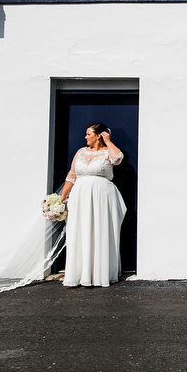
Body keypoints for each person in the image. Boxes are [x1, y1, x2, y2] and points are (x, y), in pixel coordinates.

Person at [60, 123, 129, 287]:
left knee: (100, 230)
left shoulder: (108, 151)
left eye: (88, 134)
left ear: (98, 135)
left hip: (102, 196)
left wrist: (108, 141)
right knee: (79, 230)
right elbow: (71, 175)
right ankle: (79, 273)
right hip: (80, 196)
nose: (85, 137)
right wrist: (61, 198)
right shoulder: (80, 152)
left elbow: (118, 159)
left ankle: (99, 273)